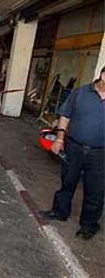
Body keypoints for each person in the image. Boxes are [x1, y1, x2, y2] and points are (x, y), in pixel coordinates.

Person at [39, 66, 105, 240]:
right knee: (68, 181)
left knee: (96, 190)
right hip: (74, 147)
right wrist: (59, 140)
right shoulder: (81, 93)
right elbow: (65, 116)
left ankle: (88, 225)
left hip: (100, 153)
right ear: (103, 75)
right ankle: (60, 211)